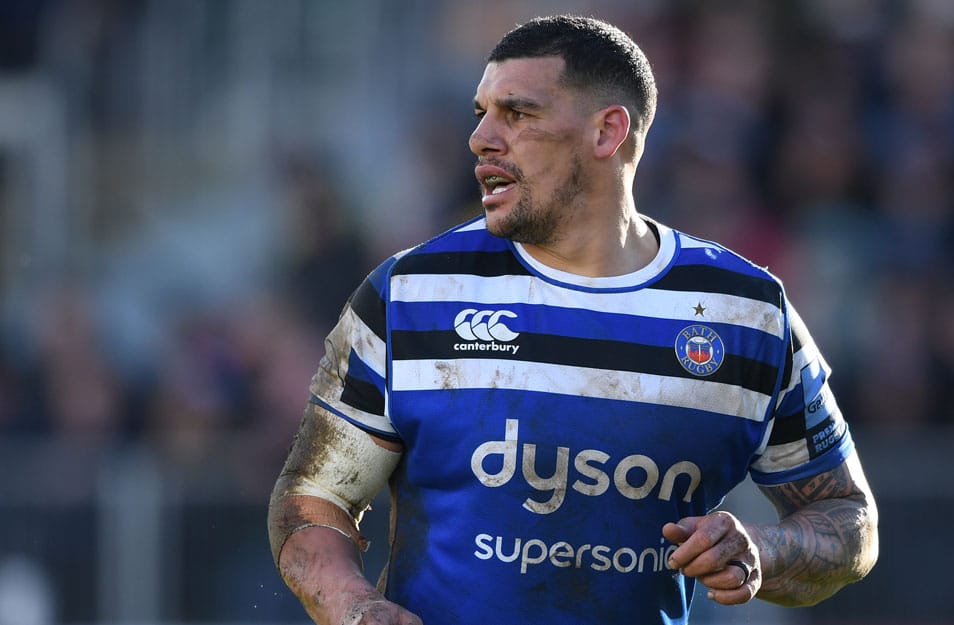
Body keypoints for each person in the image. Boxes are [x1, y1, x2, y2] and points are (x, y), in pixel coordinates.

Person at [268, 15, 878, 625]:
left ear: (607, 131)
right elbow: (310, 500)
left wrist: (763, 550)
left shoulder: (746, 314)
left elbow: (849, 519)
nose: (481, 138)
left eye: (518, 113)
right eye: (481, 113)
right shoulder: (410, 295)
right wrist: (354, 607)